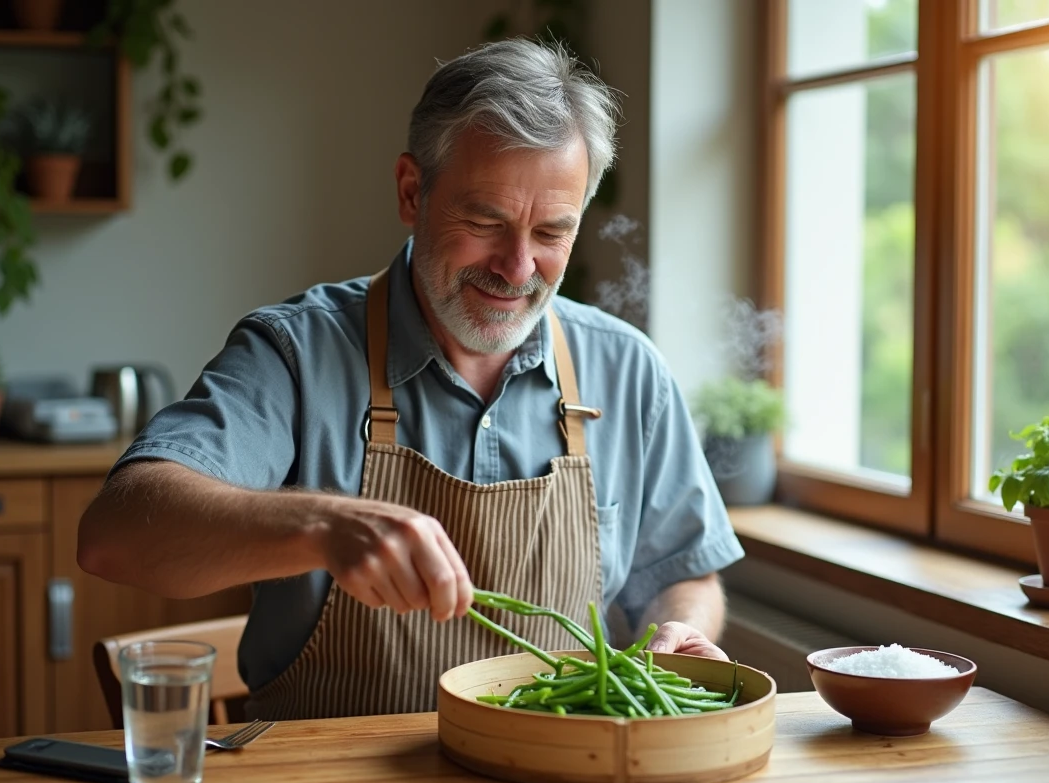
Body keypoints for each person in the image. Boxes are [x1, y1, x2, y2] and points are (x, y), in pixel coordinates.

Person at [77, 38, 744, 720]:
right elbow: (116, 534)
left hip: (553, 775)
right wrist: (322, 526)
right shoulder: (297, 352)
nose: (517, 268)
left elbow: (685, 573)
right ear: (410, 191)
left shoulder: (625, 368)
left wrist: (680, 631)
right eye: (485, 220)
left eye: (551, 232)